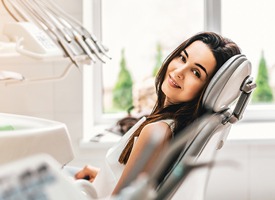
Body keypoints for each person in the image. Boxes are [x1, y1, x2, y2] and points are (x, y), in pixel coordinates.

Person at [74, 31, 241, 198]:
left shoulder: (156, 132)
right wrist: (101, 177)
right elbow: (140, 185)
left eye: (196, 72)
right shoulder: (173, 126)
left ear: (207, 90)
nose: (179, 72)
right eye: (182, 58)